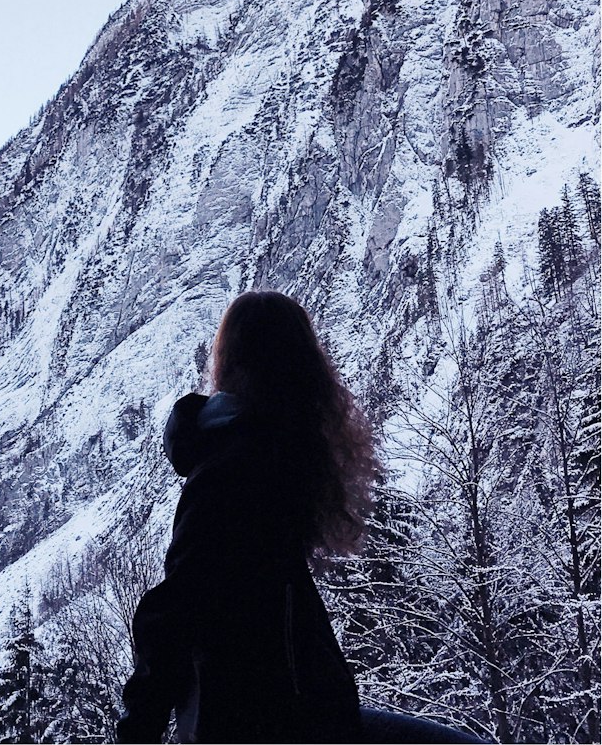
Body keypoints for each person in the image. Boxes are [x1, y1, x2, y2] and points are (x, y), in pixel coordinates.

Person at [115, 291, 487, 744]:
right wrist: (138, 730)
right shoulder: (242, 469)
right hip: (267, 721)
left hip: (284, 713)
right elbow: (172, 612)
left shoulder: (261, 458)